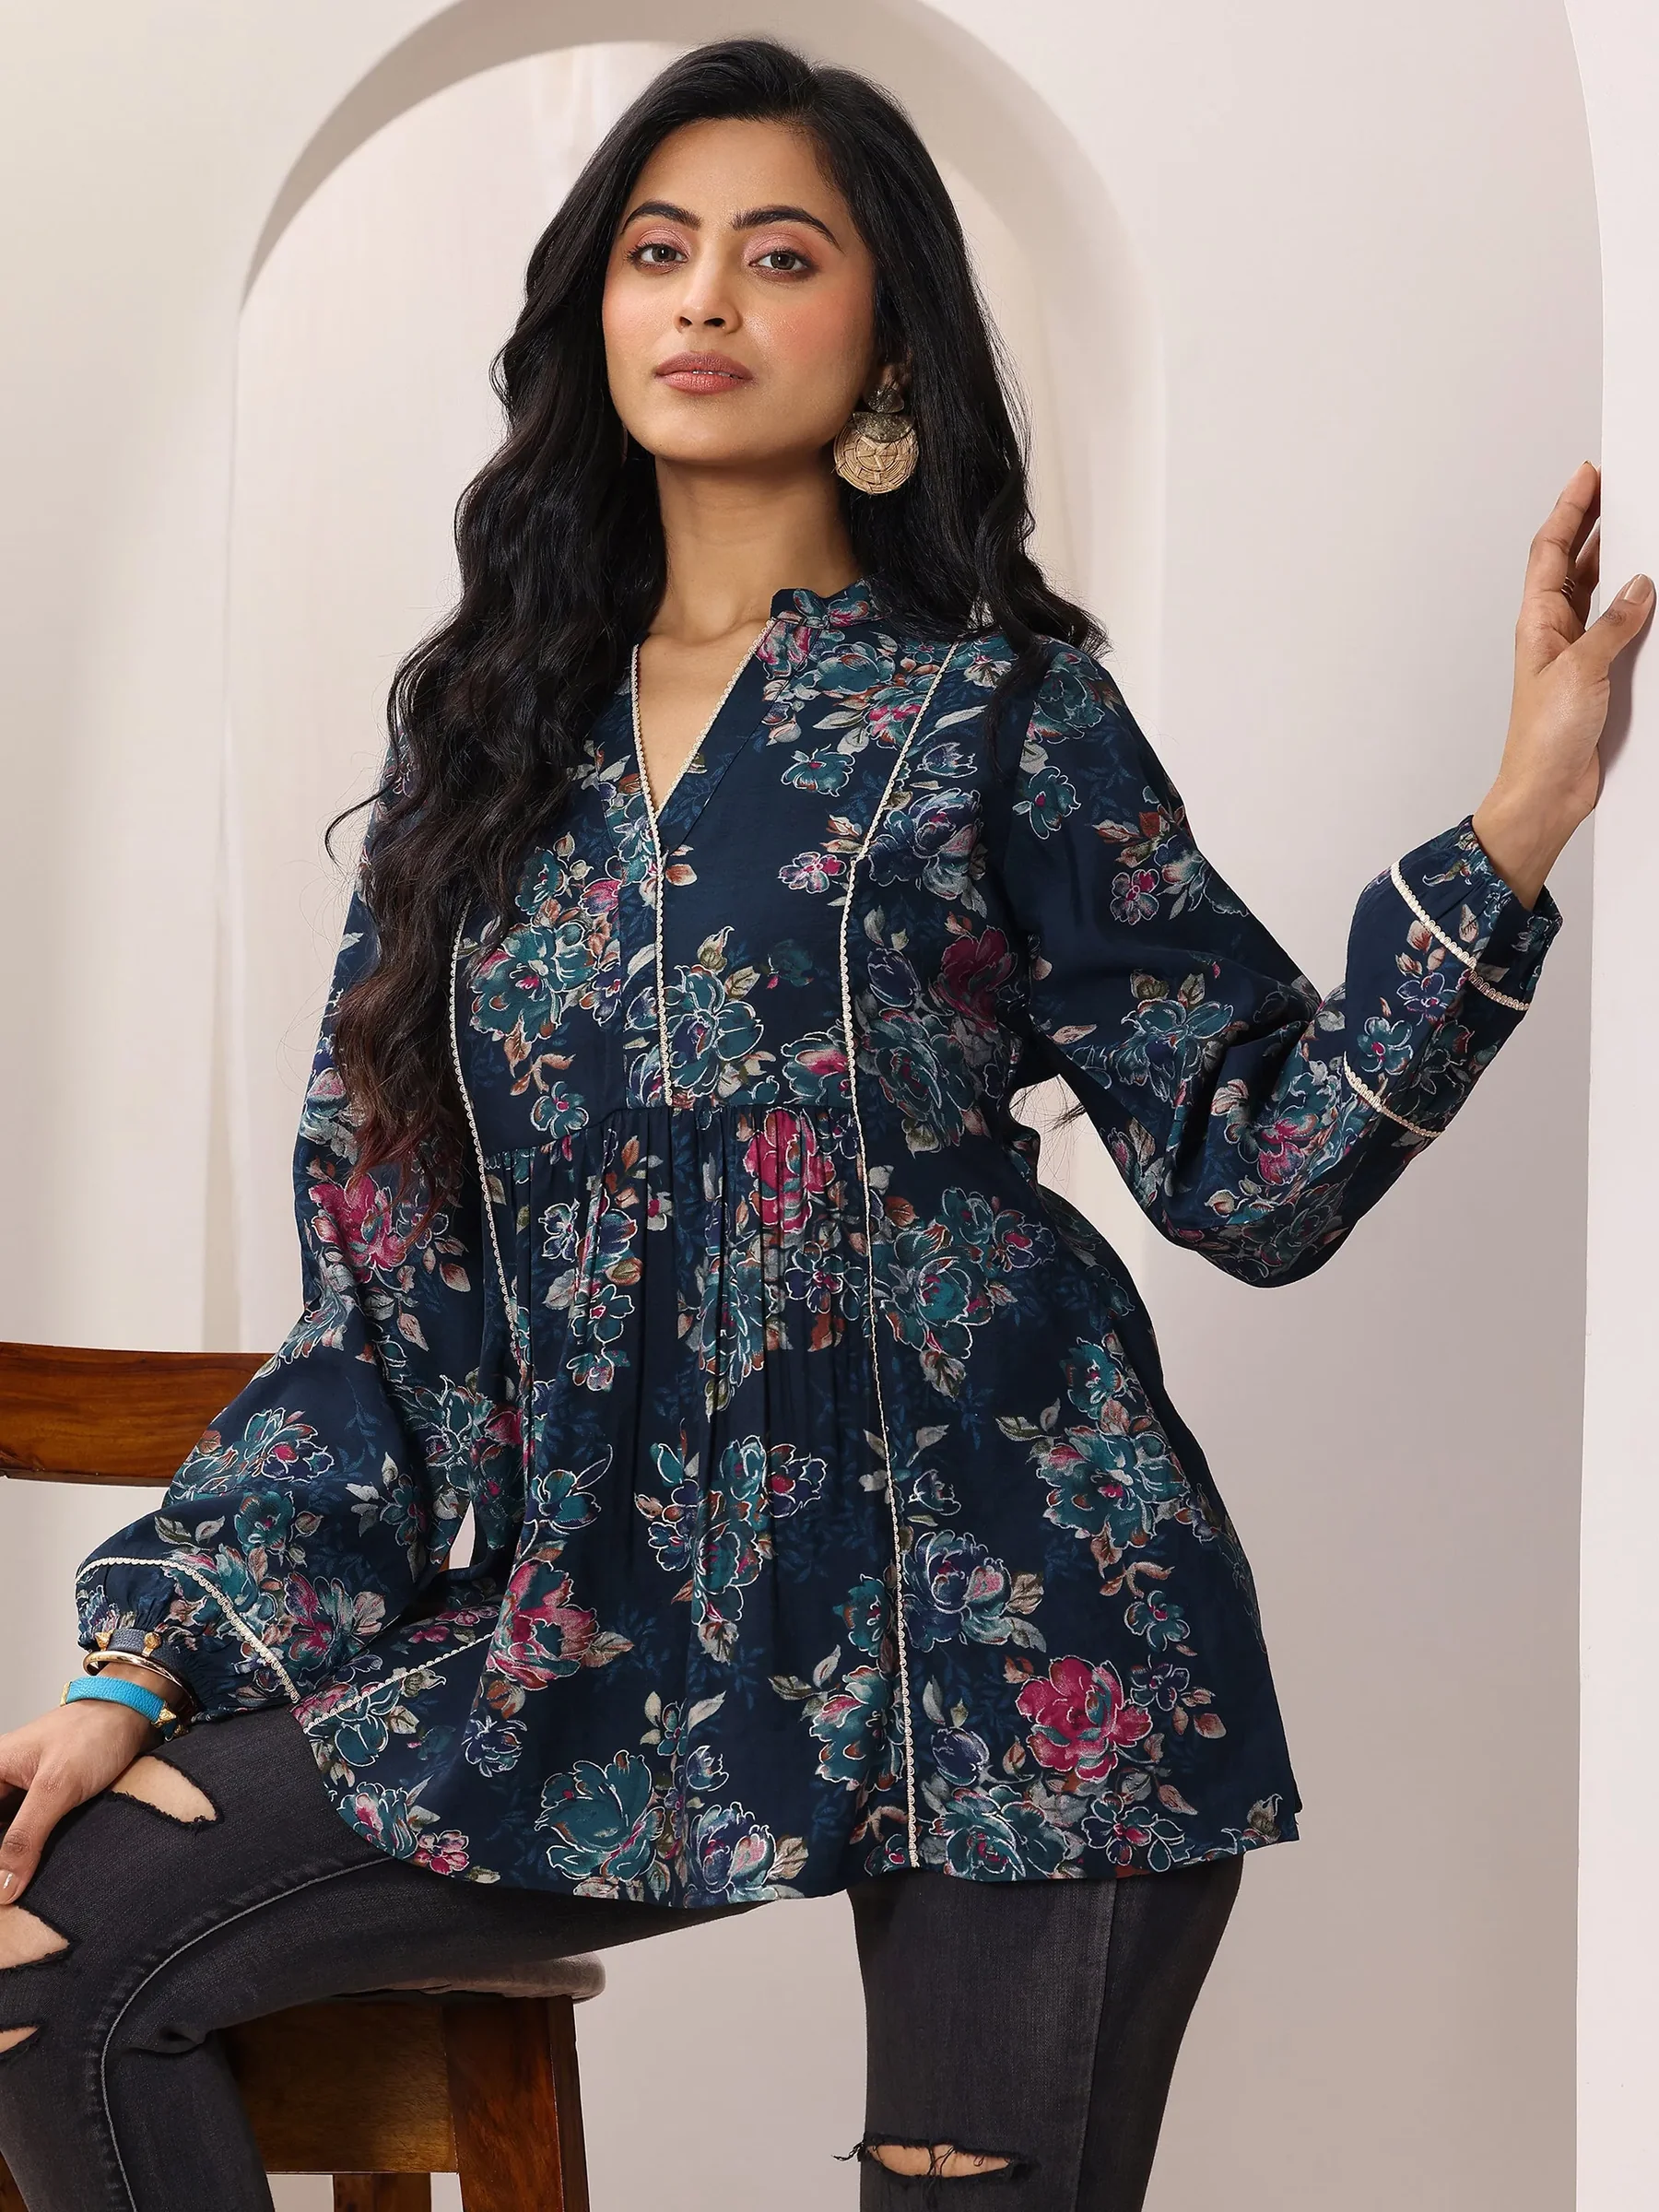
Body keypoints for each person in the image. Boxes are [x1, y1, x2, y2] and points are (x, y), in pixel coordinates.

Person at [0, 34, 1645, 2212]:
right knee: (43, 1955)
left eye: (779, 256)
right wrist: (147, 1660)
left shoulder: (1002, 709)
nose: (706, 296)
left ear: (888, 345)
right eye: (657, 251)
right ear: (595, 315)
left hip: (1024, 1638)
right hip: (603, 1651)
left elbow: (1252, 1167)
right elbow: (386, 1313)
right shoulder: (480, 758)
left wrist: (1521, 819)